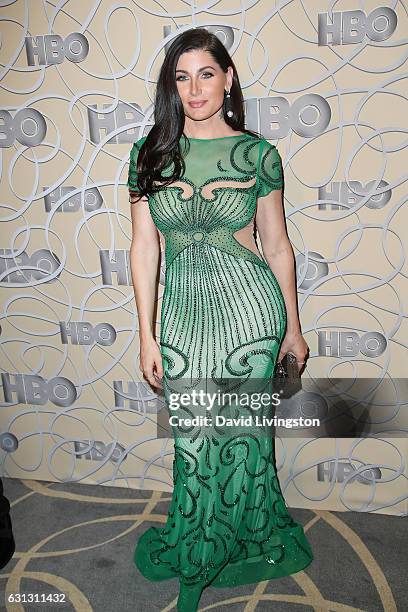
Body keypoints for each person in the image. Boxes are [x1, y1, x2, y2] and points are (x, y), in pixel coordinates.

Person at [127, 27, 313, 612]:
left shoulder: (260, 154)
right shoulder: (148, 153)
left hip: (249, 315)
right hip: (182, 316)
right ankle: (198, 545)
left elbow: (277, 244)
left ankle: (243, 535)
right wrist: (146, 333)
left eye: (206, 73)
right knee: (194, 439)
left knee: (245, 439)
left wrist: (293, 326)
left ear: (228, 78)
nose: (194, 88)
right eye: (181, 77)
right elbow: (143, 247)